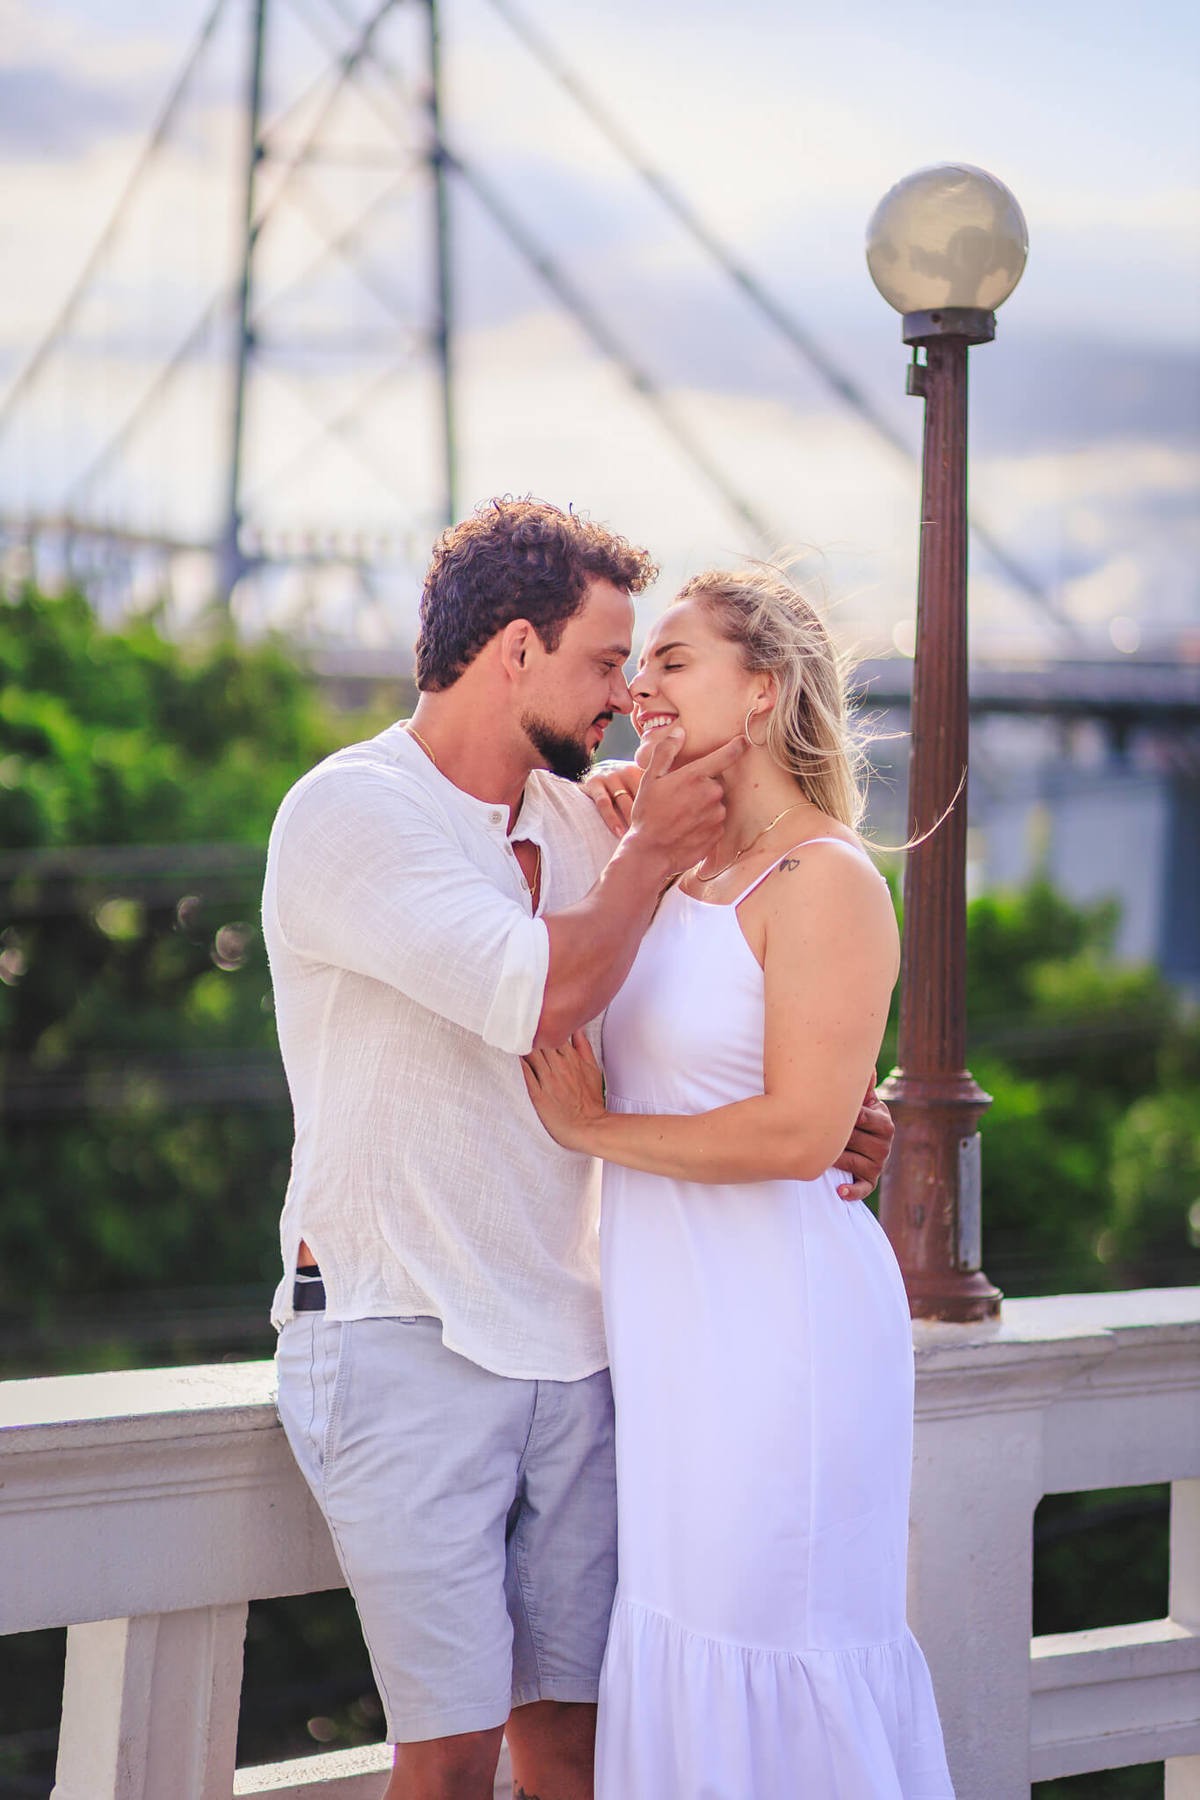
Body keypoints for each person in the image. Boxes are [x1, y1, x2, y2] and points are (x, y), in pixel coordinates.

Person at [264, 501, 895, 1800]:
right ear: (514, 653)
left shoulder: (583, 818)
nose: (625, 699)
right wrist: (651, 850)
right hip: (407, 1329)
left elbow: (735, 965)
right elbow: (543, 992)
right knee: (444, 1755)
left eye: (649, 664)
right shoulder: (352, 814)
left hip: (588, 1342)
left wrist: (836, 1108)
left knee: (578, 1744)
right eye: (610, 663)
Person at [522, 566, 955, 1799]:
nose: (640, 685)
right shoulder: (663, 858)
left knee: (772, 1636)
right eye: (638, 665)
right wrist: (632, 814)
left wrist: (596, 1131)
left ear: (760, 694)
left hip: (782, 1333)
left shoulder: (824, 881)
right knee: (680, 1632)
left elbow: (802, 1130)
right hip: (674, 1332)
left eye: (672, 661)